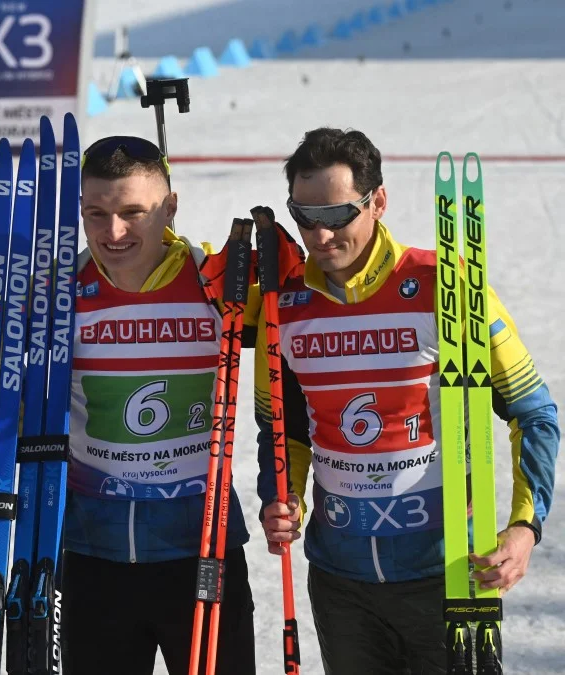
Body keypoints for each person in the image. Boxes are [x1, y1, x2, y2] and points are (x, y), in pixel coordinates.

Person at [255, 127, 560, 674]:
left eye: (335, 216)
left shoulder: (447, 287)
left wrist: (523, 526)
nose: (318, 237)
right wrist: (284, 498)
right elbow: (283, 429)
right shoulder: (284, 306)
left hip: (445, 573)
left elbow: (533, 412)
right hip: (340, 580)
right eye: (303, 217)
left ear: (378, 202)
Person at [60, 135, 262, 674]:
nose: (113, 232)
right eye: (96, 213)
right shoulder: (57, 295)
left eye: (133, 212)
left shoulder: (220, 284)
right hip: (92, 555)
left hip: (201, 551)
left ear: (170, 207)